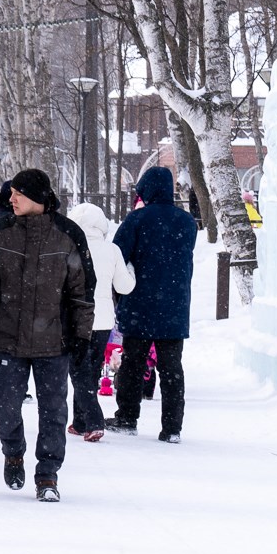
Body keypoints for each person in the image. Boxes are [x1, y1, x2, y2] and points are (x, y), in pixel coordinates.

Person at [0, 169, 94, 502]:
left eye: (17, 194)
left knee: (53, 412)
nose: (10, 200)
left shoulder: (68, 234)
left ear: (38, 198)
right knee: (4, 407)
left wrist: (82, 336)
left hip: (55, 342)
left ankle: (47, 475)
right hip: (6, 338)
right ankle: (13, 451)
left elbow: (82, 291)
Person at [105, 166, 197, 443]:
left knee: (133, 363)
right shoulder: (187, 221)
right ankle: (172, 428)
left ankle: (127, 416)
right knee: (171, 368)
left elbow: (118, 257)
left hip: (139, 302)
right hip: (175, 304)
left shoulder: (137, 220)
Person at [65, 202, 136, 442]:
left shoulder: (69, 248)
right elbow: (124, 286)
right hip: (103, 319)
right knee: (90, 370)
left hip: (75, 318)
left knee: (78, 370)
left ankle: (92, 421)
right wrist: (131, 270)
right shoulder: (112, 250)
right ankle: (79, 421)